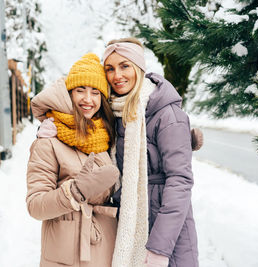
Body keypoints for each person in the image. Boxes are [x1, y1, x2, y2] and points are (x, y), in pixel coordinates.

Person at [102, 38, 199, 267]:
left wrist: (159, 248)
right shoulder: (115, 112)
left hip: (165, 232)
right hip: (130, 221)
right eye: (110, 68)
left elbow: (180, 181)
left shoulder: (167, 115)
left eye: (125, 66)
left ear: (139, 67)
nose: (117, 75)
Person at [26, 53, 120, 267]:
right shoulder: (48, 141)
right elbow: (35, 205)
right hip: (66, 254)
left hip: (105, 247)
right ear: (69, 93)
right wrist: (74, 192)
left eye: (95, 92)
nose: (88, 99)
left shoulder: (105, 136)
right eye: (81, 90)